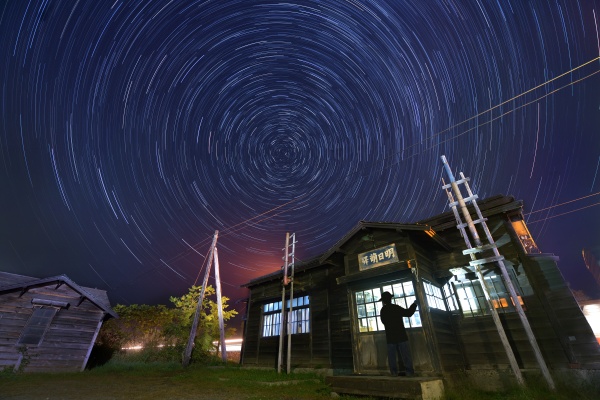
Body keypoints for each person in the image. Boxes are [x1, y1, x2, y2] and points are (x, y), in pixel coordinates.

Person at [379, 291, 418, 377]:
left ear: (383, 301)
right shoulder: (396, 308)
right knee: (406, 355)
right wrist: (414, 304)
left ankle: (394, 373)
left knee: (392, 356)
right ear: (390, 299)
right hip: (401, 334)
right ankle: (409, 372)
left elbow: (383, 321)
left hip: (390, 336)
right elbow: (408, 313)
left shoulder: (383, 310)